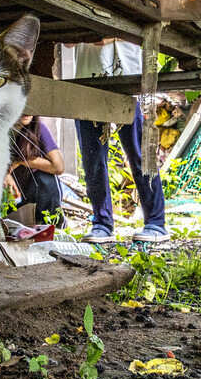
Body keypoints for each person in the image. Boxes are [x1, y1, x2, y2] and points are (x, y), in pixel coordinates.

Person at [71, 37, 168, 244]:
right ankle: (101, 224)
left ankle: (156, 223)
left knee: (140, 153)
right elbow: (68, 42)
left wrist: (105, 35)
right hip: (87, 80)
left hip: (130, 79)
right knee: (93, 159)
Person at [8, 115, 64, 225]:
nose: (27, 112)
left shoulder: (38, 128)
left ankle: (51, 225)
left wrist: (22, 160)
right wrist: (5, 175)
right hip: (7, 201)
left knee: (45, 177)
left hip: (30, 199)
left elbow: (58, 166)